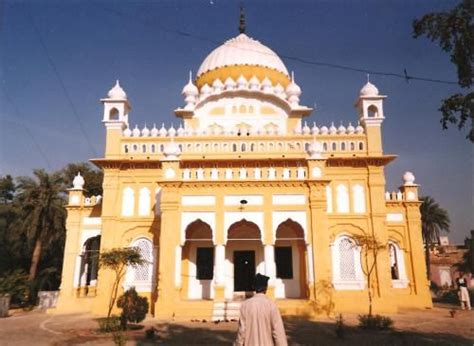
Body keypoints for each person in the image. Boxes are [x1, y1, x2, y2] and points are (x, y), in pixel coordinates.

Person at [235, 273, 287, 346]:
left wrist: (237, 344)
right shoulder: (271, 305)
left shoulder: (245, 305)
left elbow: (242, 331)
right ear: (266, 288)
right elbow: (278, 332)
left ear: (254, 287)